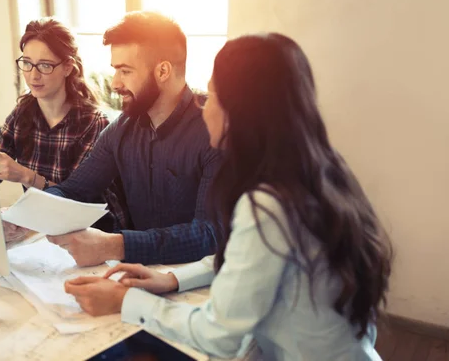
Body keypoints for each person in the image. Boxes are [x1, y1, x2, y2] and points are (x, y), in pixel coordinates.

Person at [63, 33, 393, 360]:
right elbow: (247, 258)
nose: (205, 110)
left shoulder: (268, 204)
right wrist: (171, 278)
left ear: (241, 110)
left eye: (213, 96)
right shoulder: (322, 170)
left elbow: (219, 335)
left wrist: (124, 302)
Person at [41, 11, 223, 266]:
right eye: (115, 70)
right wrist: (26, 216)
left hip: (201, 284)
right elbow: (73, 191)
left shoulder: (215, 129)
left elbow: (210, 234)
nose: (115, 83)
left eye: (125, 71)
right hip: (139, 274)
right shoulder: (122, 129)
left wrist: (114, 245)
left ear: (162, 71)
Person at [0, 18, 126, 232]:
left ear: (67, 67)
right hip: (44, 227)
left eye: (45, 65)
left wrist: (26, 176)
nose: (33, 75)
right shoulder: (22, 114)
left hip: (94, 234)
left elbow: (74, 200)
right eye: (27, 63)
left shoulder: (94, 123)